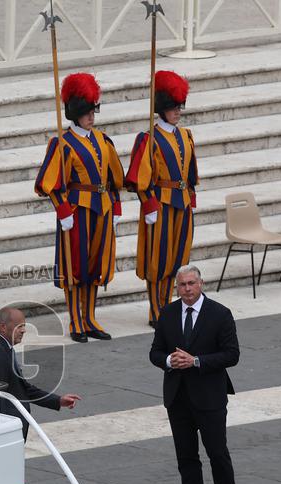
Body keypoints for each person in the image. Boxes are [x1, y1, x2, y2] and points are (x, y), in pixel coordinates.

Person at [35, 72, 125, 343]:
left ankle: (90, 318)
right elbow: (49, 183)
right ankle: (76, 319)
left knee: (96, 266)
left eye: (92, 110)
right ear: (75, 112)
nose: (91, 116)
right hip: (76, 212)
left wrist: (116, 207)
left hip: (102, 208)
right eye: (86, 111)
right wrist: (63, 211)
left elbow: (114, 179)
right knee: (76, 266)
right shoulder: (62, 144)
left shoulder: (103, 140)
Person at [149, 264, 239, 484]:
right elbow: (155, 352)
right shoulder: (167, 313)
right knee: (186, 458)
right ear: (176, 287)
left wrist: (196, 361)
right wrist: (169, 360)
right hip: (178, 398)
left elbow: (232, 355)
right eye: (182, 285)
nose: (187, 289)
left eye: (191, 283)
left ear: (201, 284)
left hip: (209, 398)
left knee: (218, 455)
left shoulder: (220, 314)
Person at [126, 69, 200, 327]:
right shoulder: (149, 138)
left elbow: (190, 175)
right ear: (161, 108)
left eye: (179, 106)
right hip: (161, 204)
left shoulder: (186, 135)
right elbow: (138, 176)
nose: (177, 111)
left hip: (183, 204)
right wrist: (148, 204)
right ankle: (156, 311)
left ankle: (171, 307)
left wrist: (191, 199)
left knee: (179, 259)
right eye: (172, 106)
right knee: (159, 261)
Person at [0, 307, 81, 440]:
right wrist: (3, 429)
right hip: (7, 428)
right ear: (3, 327)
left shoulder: (4, 348)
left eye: (24, 326)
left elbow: (21, 387)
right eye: (19, 326)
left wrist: (58, 401)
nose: (24, 330)